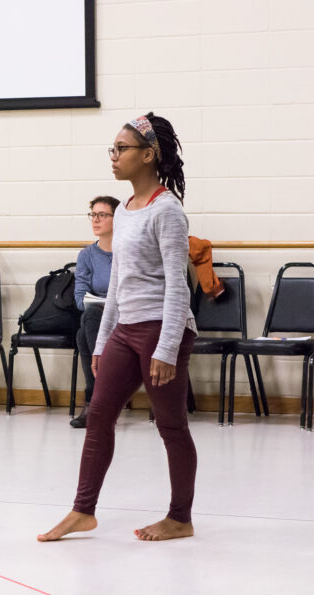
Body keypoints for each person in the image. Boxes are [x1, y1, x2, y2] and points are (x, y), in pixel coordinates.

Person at [38, 112, 197, 542]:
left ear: (148, 155)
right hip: (125, 329)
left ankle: (180, 517)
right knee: (99, 416)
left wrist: (166, 347)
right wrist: (103, 340)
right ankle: (82, 511)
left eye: (122, 149)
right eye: (113, 148)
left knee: (171, 426)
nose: (114, 156)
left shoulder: (167, 211)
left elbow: (178, 286)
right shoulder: (124, 212)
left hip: (161, 328)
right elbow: (121, 285)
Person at [70, 195, 119, 428]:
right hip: (96, 315)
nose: (95, 220)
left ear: (116, 219)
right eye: (93, 214)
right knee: (88, 319)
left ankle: (94, 402)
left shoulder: (128, 251)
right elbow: (80, 297)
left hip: (124, 316)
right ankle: (101, 401)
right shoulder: (87, 255)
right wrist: (97, 303)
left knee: (83, 334)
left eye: (102, 215)